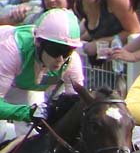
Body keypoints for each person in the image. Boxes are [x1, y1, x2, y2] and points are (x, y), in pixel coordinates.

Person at [0, 9, 85, 142]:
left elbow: (76, 105)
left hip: (23, 84)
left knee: (35, 135)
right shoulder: (11, 51)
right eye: (55, 50)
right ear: (38, 43)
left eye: (67, 51)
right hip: (7, 71)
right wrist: (28, 112)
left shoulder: (72, 62)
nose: (60, 59)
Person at [73, 0, 140, 59]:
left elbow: (136, 32)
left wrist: (101, 43)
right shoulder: (79, 5)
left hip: (128, 60)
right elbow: (100, 30)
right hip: (103, 64)